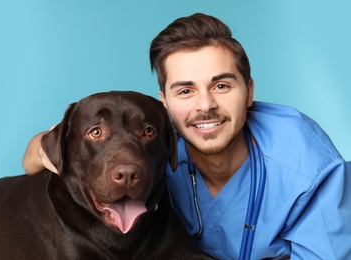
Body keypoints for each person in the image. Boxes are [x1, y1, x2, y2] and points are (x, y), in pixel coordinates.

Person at [23, 13, 351, 259]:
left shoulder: (307, 165)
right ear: (164, 102)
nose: (205, 105)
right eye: (185, 91)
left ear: (249, 92)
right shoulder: (152, 143)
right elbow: (38, 154)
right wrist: (41, 147)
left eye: (221, 85)